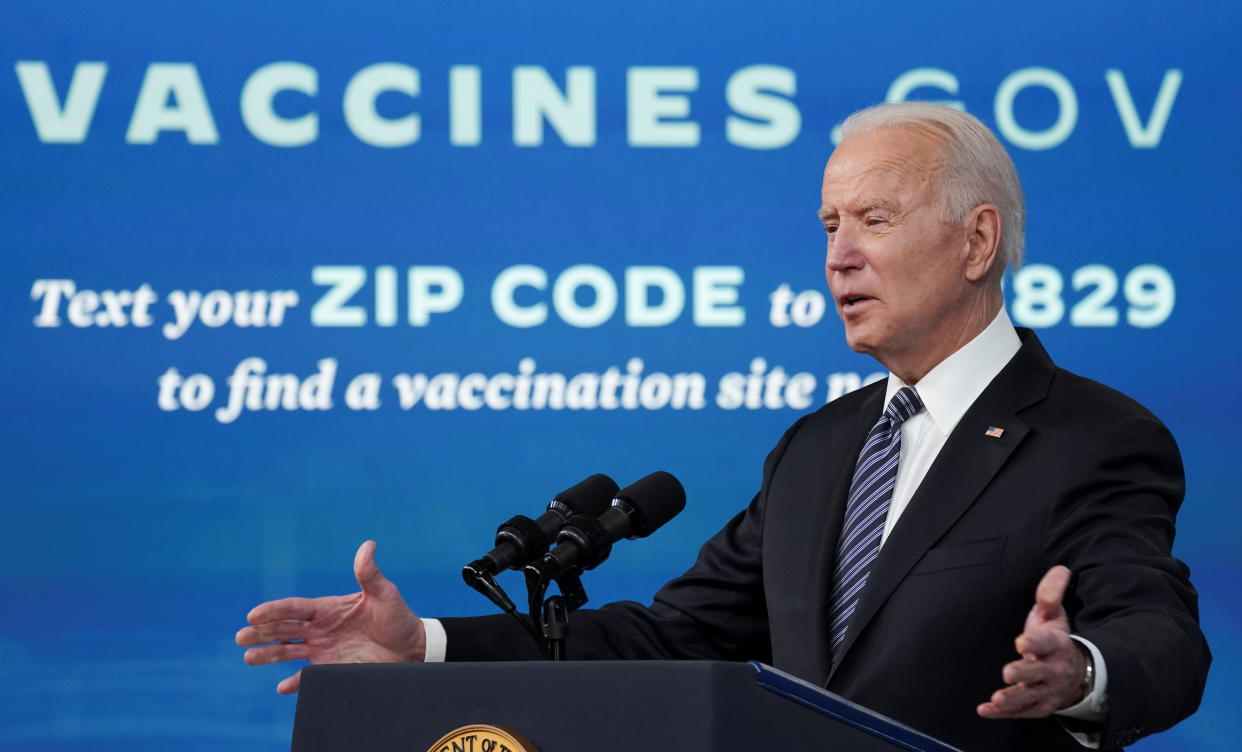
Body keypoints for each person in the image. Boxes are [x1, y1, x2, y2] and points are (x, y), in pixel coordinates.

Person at [236, 102, 1209, 751]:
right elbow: (673, 637)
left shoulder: (1091, 436)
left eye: (871, 218)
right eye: (828, 225)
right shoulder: (819, 449)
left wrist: (1080, 667)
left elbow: (1160, 630)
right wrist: (427, 646)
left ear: (978, 240)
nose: (838, 256)